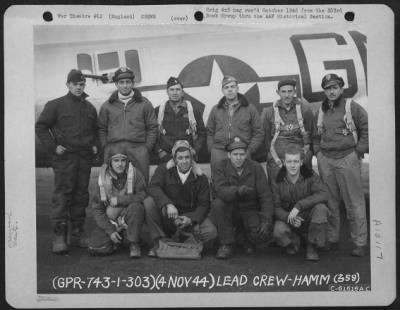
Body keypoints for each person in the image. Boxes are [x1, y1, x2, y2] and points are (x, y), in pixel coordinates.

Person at [35, 69, 98, 254]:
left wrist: (95, 145)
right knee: (63, 195)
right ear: (68, 85)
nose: (78, 87)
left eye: (81, 84)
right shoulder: (56, 105)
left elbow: (95, 131)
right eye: (75, 84)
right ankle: (59, 236)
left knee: (81, 195)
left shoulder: (90, 108)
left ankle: (78, 233)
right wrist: (53, 147)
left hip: (84, 159)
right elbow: (41, 127)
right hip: (65, 159)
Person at [312, 73, 369, 257]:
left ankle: (360, 242)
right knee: (330, 201)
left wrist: (358, 151)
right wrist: (318, 152)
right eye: (328, 88)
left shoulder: (352, 107)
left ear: (341, 88)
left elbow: (368, 128)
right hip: (326, 159)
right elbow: (314, 135)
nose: (331, 91)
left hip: (347, 157)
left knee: (354, 201)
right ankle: (332, 238)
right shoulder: (321, 110)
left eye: (335, 87)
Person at [144, 140, 217, 257]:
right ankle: (158, 242)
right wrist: (167, 204)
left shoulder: (201, 177)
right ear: (174, 159)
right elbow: (152, 187)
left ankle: (175, 241)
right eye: (180, 158)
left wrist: (191, 219)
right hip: (169, 216)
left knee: (211, 232)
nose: (184, 161)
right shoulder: (163, 170)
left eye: (187, 157)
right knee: (149, 202)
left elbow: (204, 204)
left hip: (188, 218)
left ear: (192, 158)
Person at [212, 137, 274, 259]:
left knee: (260, 236)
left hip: (250, 209)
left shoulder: (256, 167)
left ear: (246, 154)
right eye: (235, 154)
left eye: (242, 154)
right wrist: (237, 191)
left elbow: (265, 196)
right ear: (229, 155)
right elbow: (220, 190)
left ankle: (245, 238)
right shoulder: (220, 166)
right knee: (217, 204)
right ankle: (227, 243)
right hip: (230, 209)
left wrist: (266, 220)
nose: (239, 157)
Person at [98, 67, 158, 183]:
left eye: (128, 82)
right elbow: (101, 128)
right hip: (114, 148)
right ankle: (114, 201)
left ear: (132, 83)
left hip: (138, 149)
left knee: (140, 181)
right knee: (114, 182)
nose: (125, 86)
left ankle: (139, 201)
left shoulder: (144, 104)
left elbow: (152, 127)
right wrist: (105, 146)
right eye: (121, 82)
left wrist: (146, 148)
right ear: (116, 84)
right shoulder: (107, 105)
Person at [272, 145, 329, 261]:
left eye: (295, 161)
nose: (292, 165)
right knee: (278, 231)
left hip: (307, 215)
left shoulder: (310, 175)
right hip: (289, 217)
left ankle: (311, 246)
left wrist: (299, 206)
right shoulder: (277, 179)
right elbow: (276, 207)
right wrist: (289, 218)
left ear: (301, 162)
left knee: (321, 209)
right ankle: (294, 241)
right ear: (284, 162)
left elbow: (324, 193)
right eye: (289, 161)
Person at [87, 147, 146, 258]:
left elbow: (143, 196)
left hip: (129, 214)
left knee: (137, 207)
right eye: (116, 161)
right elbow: (97, 209)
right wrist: (110, 230)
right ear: (110, 162)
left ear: (127, 161)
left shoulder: (135, 174)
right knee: (95, 247)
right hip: (112, 218)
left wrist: (120, 200)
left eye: (123, 160)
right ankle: (118, 237)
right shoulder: (101, 179)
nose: (120, 164)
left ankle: (134, 242)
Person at [207, 75, 264, 175]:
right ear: (222, 90)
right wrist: (212, 149)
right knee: (218, 182)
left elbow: (258, 133)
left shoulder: (250, 109)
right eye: (226, 87)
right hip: (219, 150)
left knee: (243, 182)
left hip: (241, 150)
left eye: (232, 87)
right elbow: (209, 132)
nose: (230, 90)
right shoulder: (215, 109)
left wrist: (249, 150)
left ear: (237, 88)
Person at [262, 78, 314, 181]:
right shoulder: (268, 112)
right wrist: (272, 155)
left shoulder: (305, 109)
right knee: (276, 188)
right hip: (277, 157)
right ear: (278, 92)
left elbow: (311, 133)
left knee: (303, 186)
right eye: (283, 92)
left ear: (294, 92)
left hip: (300, 156)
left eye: (290, 91)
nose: (287, 95)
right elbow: (265, 137)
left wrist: (307, 154)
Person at [155, 77, 206, 163]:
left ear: (182, 92)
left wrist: (195, 150)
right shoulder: (158, 111)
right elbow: (152, 133)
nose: (175, 92)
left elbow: (202, 133)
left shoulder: (193, 110)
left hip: (187, 155)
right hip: (166, 156)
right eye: (172, 90)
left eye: (178, 89)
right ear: (167, 92)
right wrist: (159, 151)